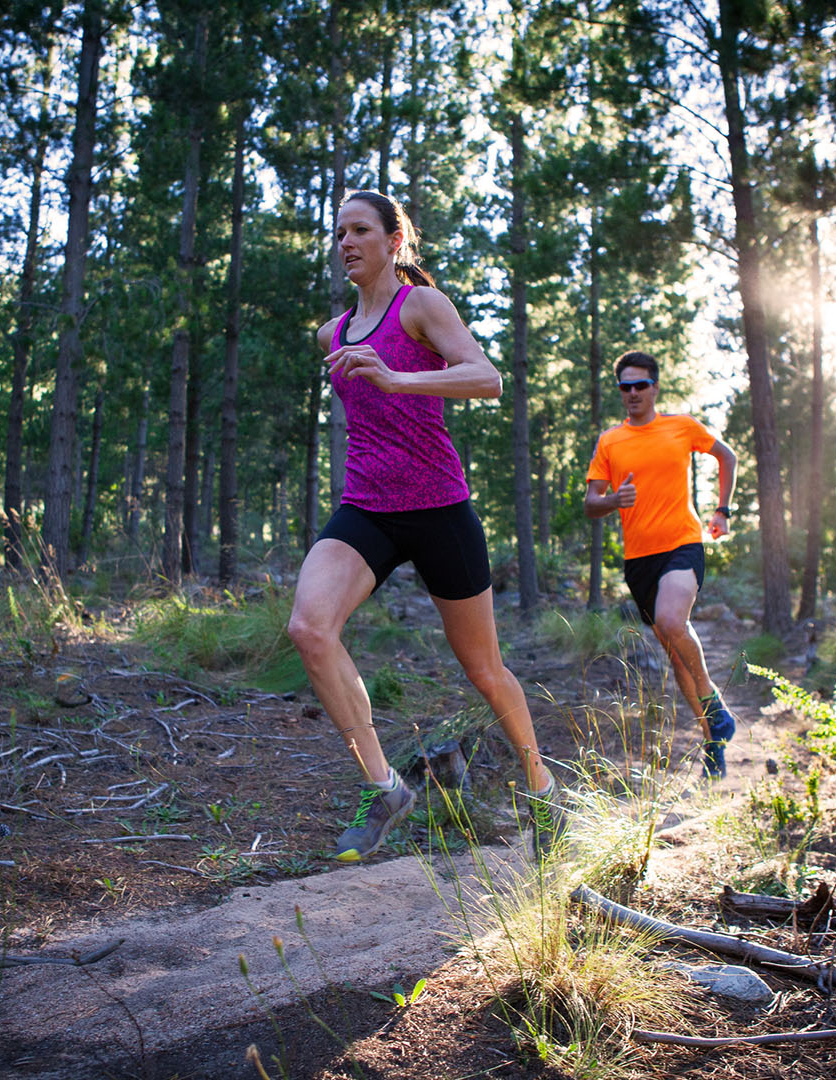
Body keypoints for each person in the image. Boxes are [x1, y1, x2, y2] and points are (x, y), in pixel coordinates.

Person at [287, 190, 565, 862]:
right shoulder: (333, 333)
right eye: (339, 234)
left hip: (439, 508)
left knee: (485, 670)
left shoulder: (421, 307)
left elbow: (487, 379)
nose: (346, 243)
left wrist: (395, 378)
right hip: (368, 508)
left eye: (360, 231)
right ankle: (383, 788)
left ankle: (541, 788)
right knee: (309, 627)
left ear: (393, 240)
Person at [584, 350, 740, 777]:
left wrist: (722, 510)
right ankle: (713, 741)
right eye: (625, 387)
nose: (632, 393)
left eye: (640, 385)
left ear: (654, 387)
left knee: (673, 621)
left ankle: (714, 705)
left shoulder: (681, 427)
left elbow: (727, 456)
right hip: (639, 559)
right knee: (676, 655)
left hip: (682, 543)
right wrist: (613, 500)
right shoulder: (610, 442)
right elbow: (590, 503)